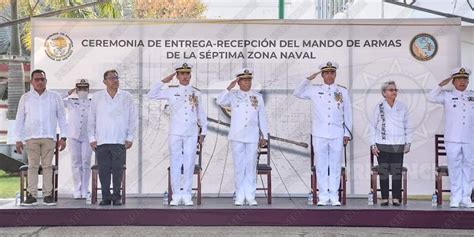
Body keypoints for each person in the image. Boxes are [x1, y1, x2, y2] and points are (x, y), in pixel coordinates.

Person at [147, 63, 207, 206]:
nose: (185, 77)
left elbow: (201, 113)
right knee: (175, 163)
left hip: (191, 133)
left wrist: (203, 131)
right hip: (175, 132)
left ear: (190, 75)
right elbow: (151, 95)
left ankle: (186, 194)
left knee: (189, 163)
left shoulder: (196, 93)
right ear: (177, 76)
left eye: (187, 74)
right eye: (182, 74)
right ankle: (175, 194)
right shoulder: (171, 91)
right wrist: (164, 81)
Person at [293, 61, 352, 206]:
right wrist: (308, 79)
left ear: (335, 74)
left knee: (335, 165)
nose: (330, 75)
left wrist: (347, 133)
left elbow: (348, 113)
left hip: (337, 133)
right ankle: (323, 196)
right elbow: (297, 92)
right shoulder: (314, 90)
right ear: (323, 75)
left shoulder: (342, 91)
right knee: (321, 165)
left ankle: (334, 196)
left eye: (332, 72)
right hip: (319, 133)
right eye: (326, 73)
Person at [216, 68, 269, 206]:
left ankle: (250, 196)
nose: (247, 83)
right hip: (237, 136)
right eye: (244, 80)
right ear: (238, 82)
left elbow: (262, 117)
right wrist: (228, 88)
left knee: (250, 166)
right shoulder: (232, 96)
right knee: (239, 167)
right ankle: (240, 195)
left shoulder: (258, 97)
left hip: (252, 136)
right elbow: (219, 101)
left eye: (249, 80)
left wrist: (264, 135)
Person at [15, 69, 68, 206]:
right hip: (31, 137)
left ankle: (47, 196)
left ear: (46, 81)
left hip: (48, 137)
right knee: (32, 166)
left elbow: (62, 117)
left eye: (42, 79)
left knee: (47, 167)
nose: (39, 82)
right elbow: (20, 118)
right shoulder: (25, 97)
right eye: (36, 79)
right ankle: (31, 195)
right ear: (32, 81)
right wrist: (18, 139)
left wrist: (64, 137)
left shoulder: (54, 97)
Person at [88, 69, 137, 206]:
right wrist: (92, 137)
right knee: (103, 171)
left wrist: (130, 137)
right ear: (104, 81)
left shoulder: (126, 96)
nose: (115, 80)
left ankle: (116, 197)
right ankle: (105, 197)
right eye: (111, 78)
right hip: (101, 140)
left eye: (116, 78)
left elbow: (132, 118)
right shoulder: (97, 97)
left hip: (119, 140)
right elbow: (91, 118)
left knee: (117, 170)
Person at [428, 67, 474, 208]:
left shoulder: (472, 95)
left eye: (465, 79)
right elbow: (430, 97)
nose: (462, 82)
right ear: (453, 82)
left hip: (470, 138)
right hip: (452, 138)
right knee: (454, 168)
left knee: (469, 168)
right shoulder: (447, 95)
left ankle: (466, 197)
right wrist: (441, 84)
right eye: (459, 79)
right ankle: (455, 197)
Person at [369, 81, 412, 206]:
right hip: (382, 144)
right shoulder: (379, 107)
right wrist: (373, 144)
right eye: (391, 90)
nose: (394, 92)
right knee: (384, 172)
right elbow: (371, 126)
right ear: (384, 93)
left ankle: (396, 198)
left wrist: (408, 142)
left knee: (396, 172)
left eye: (395, 90)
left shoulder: (402, 106)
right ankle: (385, 197)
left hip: (398, 144)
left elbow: (408, 125)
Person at [62, 79, 92, 199]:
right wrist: (69, 92)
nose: (82, 90)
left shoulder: (92, 102)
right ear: (77, 89)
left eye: (85, 88)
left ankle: (85, 189)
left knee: (86, 162)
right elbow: (57, 100)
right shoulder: (71, 101)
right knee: (75, 163)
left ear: (88, 89)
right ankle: (77, 189)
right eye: (80, 88)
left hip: (88, 136)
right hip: (73, 135)